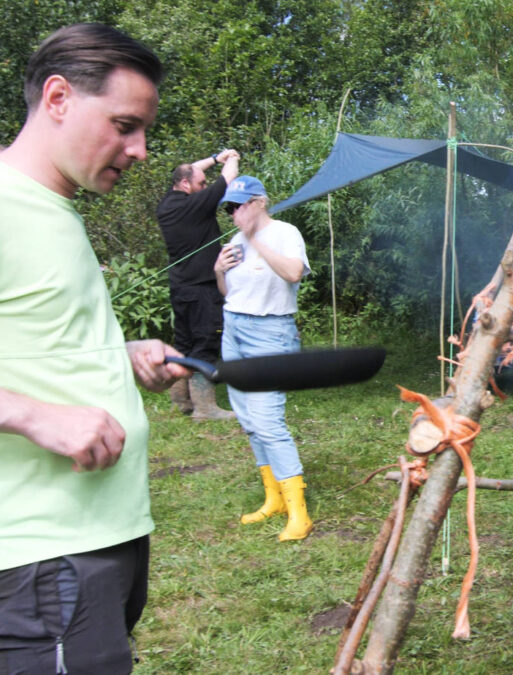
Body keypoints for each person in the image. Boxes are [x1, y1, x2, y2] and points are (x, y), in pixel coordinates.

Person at [0, 23, 188, 672]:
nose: (139, 150)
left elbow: (35, 343)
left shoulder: (53, 207)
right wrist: (35, 415)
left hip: (102, 536)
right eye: (125, 124)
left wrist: (120, 353)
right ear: (58, 98)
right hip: (39, 554)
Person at [214, 175, 314, 541]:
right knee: (247, 417)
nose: (235, 213)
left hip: (270, 333)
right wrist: (219, 271)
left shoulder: (285, 233)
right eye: (230, 207)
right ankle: (274, 498)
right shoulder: (234, 241)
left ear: (260, 202)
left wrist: (255, 240)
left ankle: (299, 515)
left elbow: (292, 273)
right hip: (234, 329)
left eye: (239, 205)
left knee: (268, 420)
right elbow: (229, 292)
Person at [156, 148, 241, 419]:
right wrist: (232, 158)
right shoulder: (196, 204)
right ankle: (205, 408)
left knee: (184, 342)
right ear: (185, 184)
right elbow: (229, 177)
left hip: (180, 287)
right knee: (205, 341)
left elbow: (188, 168)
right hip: (203, 287)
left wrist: (215, 158)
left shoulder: (168, 204)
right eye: (201, 183)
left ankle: (181, 399)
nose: (205, 186)